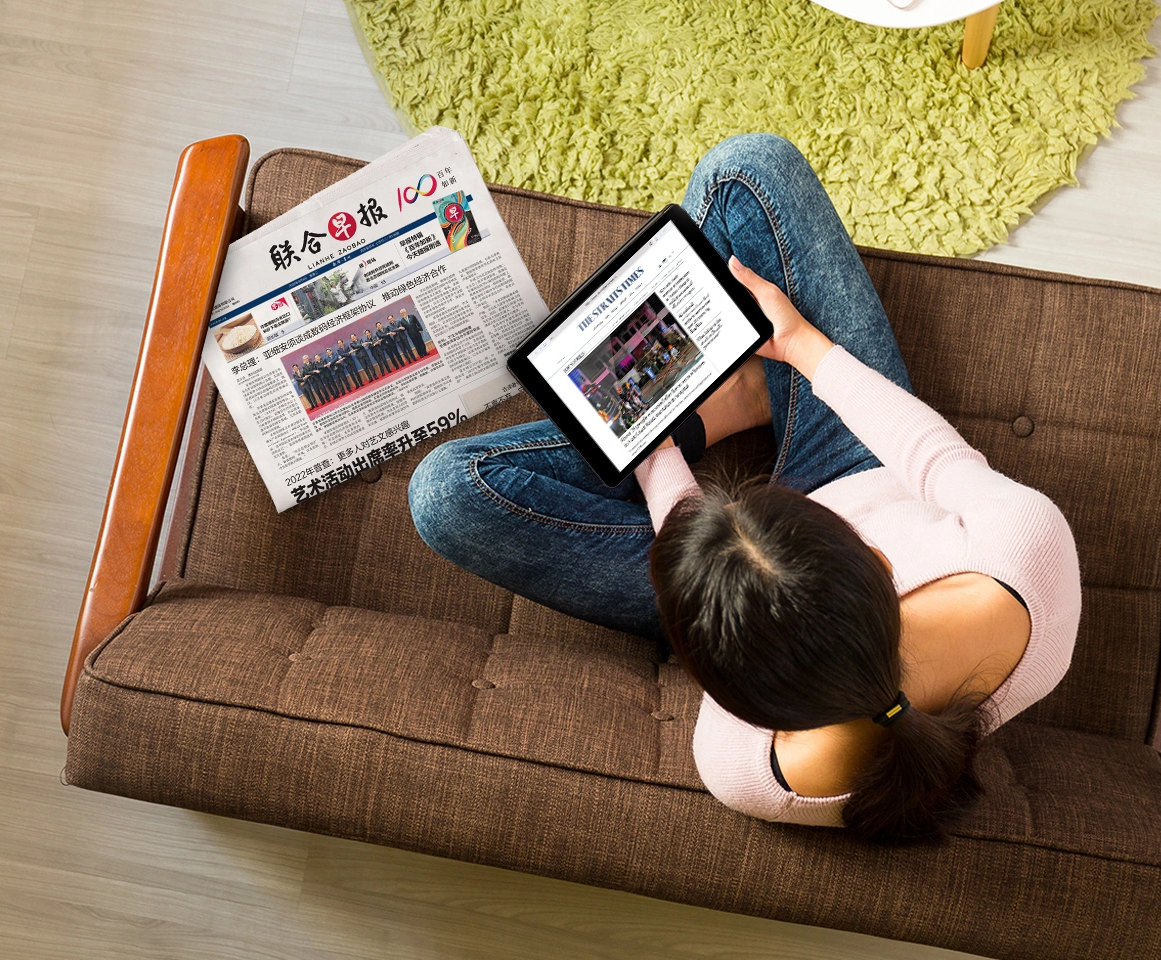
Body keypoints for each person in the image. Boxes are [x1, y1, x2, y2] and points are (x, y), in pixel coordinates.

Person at [407, 134, 1077, 843]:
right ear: (878, 560)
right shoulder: (1025, 551)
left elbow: (710, 594)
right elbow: (933, 458)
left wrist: (659, 444)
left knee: (445, 494)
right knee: (746, 169)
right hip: (855, 471)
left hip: (715, 601)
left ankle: (726, 412)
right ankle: (757, 396)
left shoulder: (745, 769)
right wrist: (801, 348)